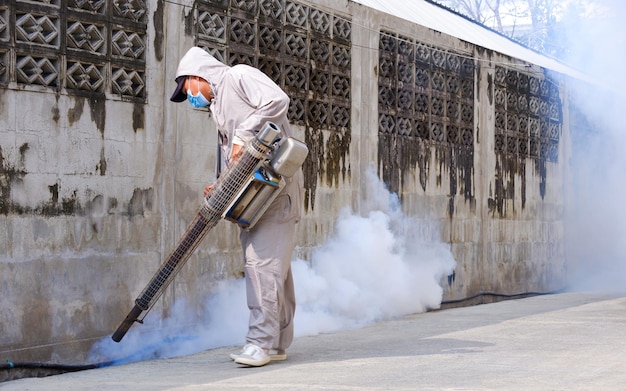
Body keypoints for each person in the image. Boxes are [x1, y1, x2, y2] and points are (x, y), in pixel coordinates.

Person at [170, 47, 304, 367]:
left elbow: (278, 101)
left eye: (187, 88)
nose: (189, 97)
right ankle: (277, 342)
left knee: (261, 266)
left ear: (197, 76)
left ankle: (259, 344)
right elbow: (234, 155)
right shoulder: (217, 108)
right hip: (256, 196)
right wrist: (221, 182)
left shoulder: (238, 76)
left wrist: (244, 133)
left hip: (275, 191)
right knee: (274, 271)